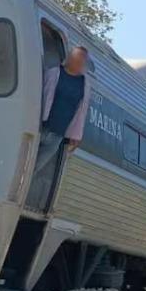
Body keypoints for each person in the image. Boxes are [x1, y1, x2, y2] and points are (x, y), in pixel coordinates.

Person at [28, 46, 92, 206]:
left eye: (80, 62)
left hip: (57, 135)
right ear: (69, 58)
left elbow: (81, 111)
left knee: (34, 169)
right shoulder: (54, 73)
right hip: (39, 126)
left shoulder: (84, 84)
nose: (77, 64)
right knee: (23, 161)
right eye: (75, 59)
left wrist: (76, 136)